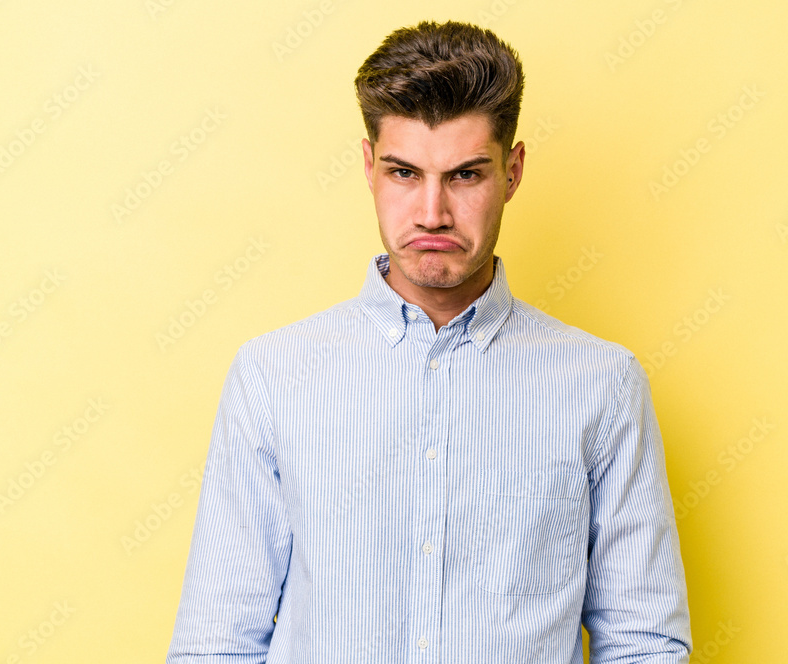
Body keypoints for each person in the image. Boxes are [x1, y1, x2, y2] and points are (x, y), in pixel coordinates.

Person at [167, 20, 691, 663]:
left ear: (513, 172)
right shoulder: (273, 376)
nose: (432, 213)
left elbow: (642, 643)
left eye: (465, 175)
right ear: (369, 167)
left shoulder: (602, 384)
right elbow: (216, 642)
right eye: (404, 173)